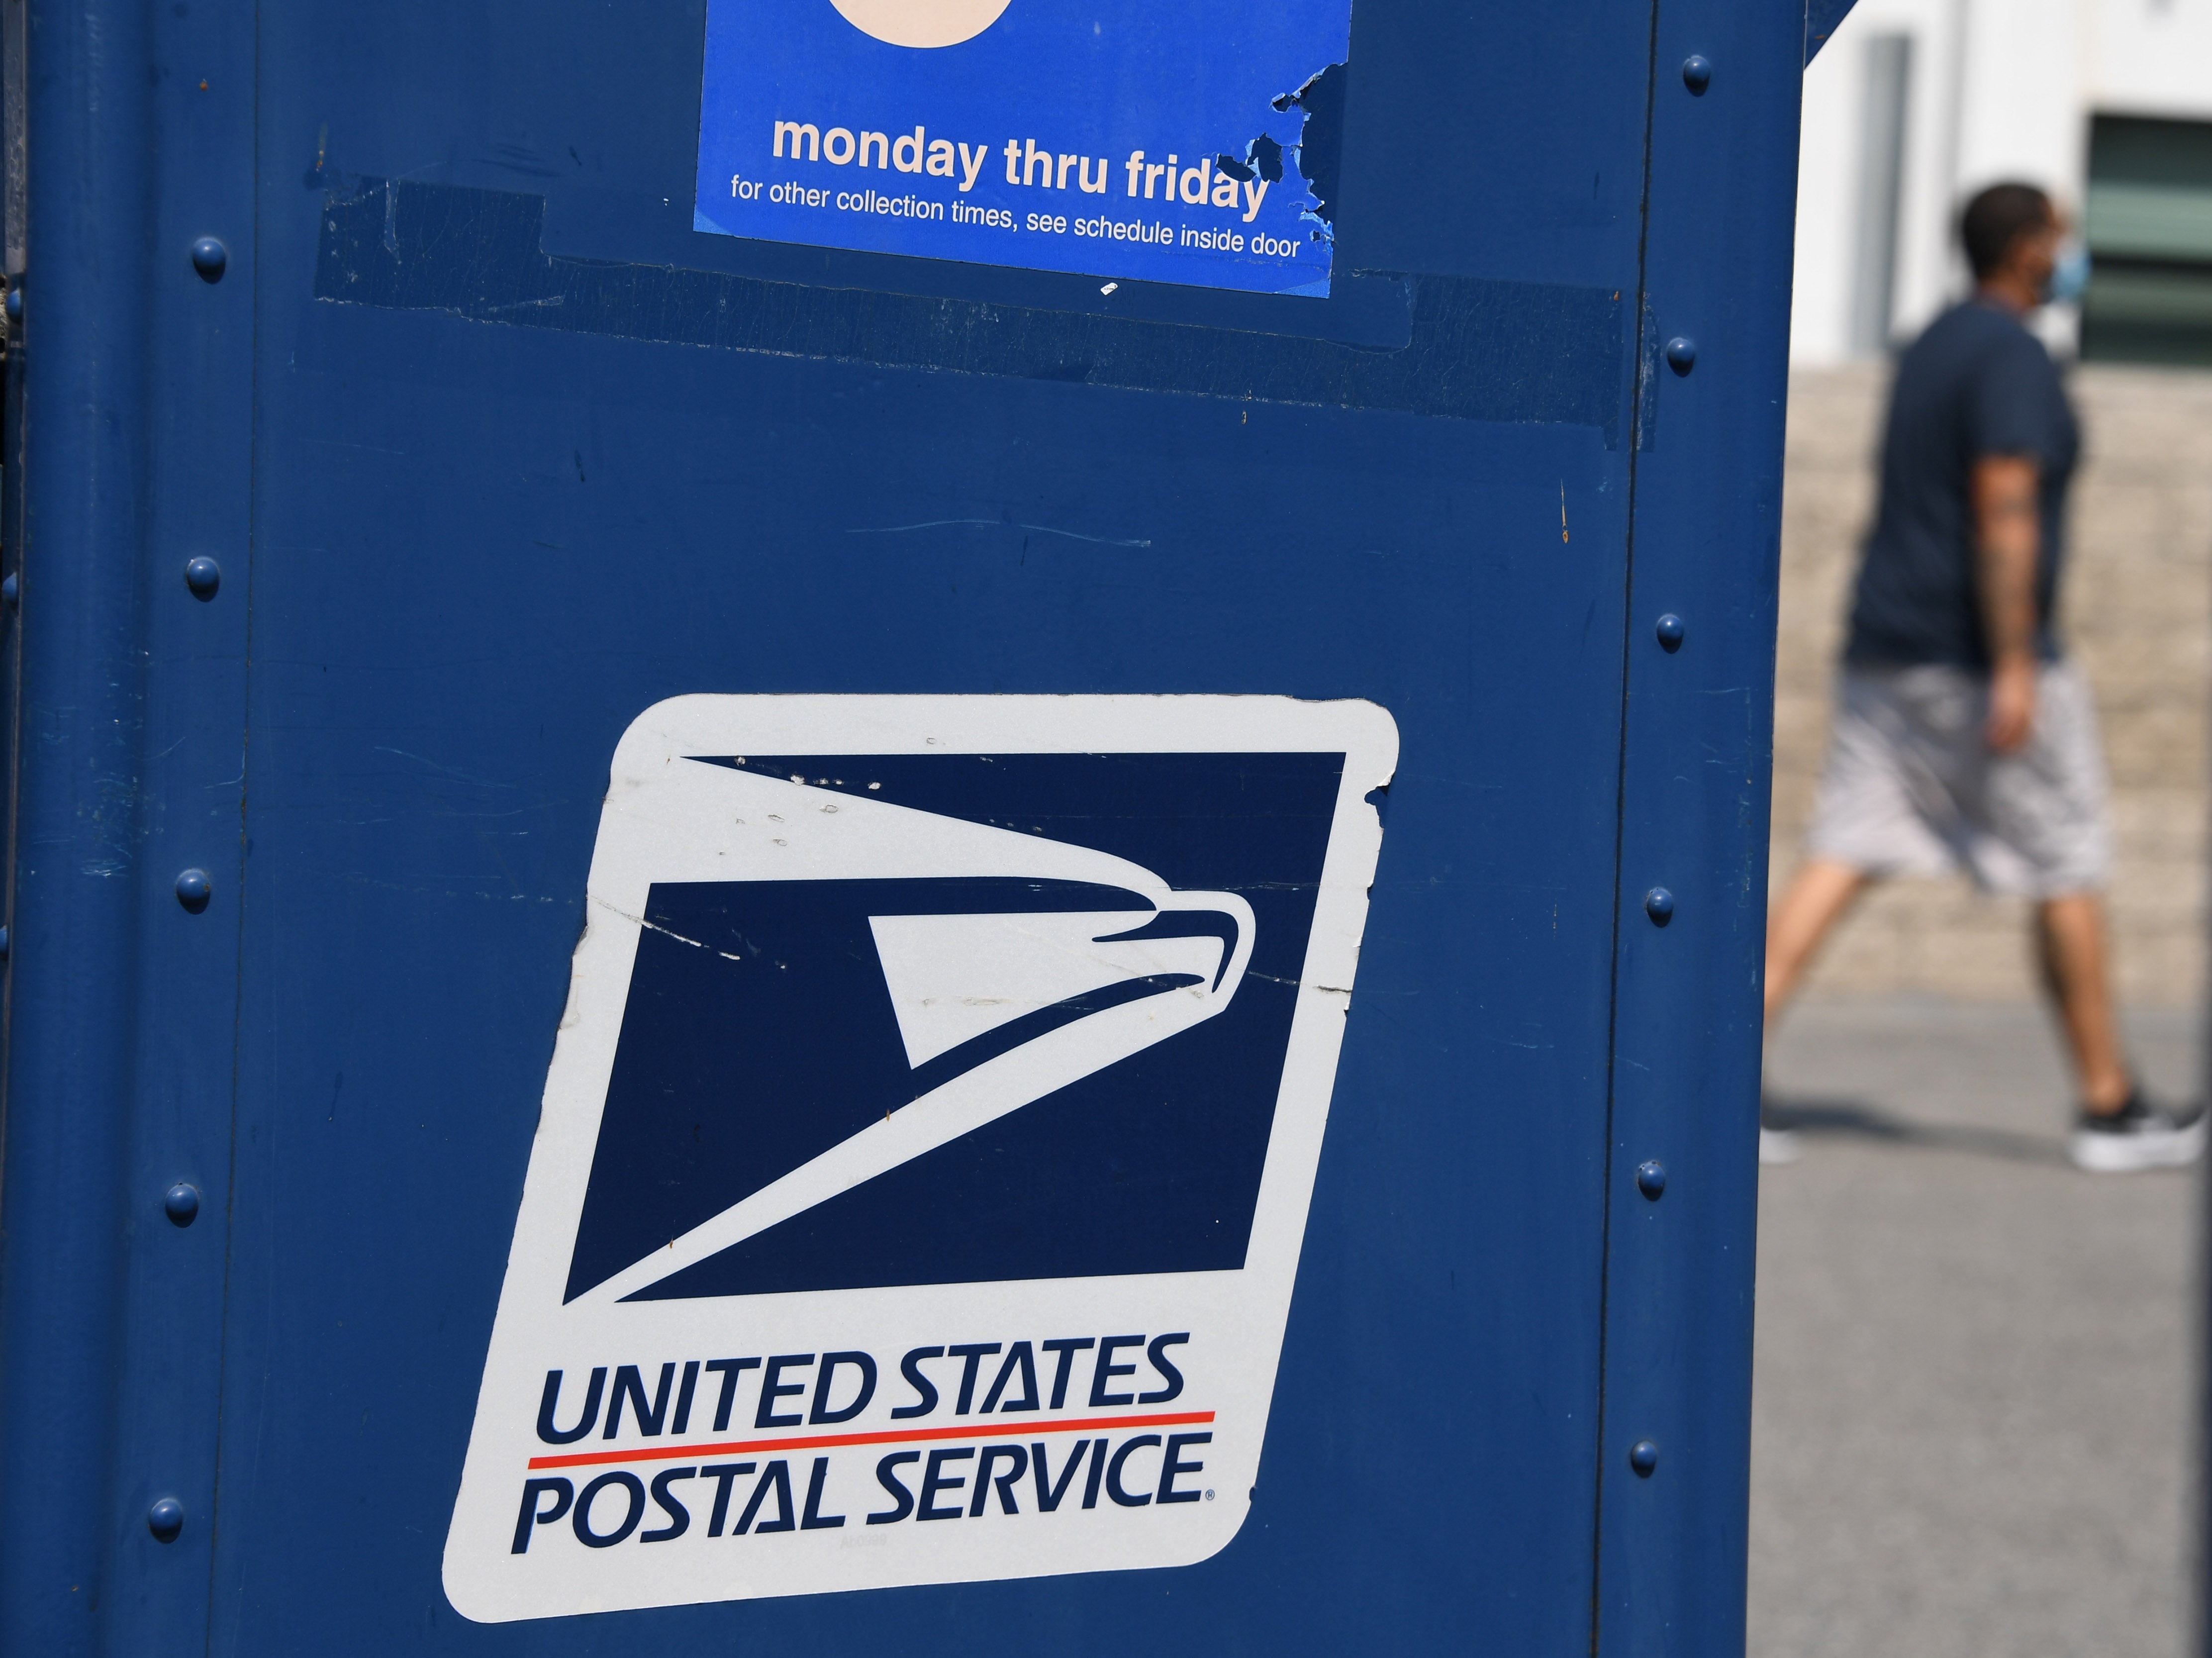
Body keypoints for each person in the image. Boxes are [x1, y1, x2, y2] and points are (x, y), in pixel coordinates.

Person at [1761, 182, 2204, 1174]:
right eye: (2060, 235)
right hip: (1974, 659)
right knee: (2068, 860)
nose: (2070, 252)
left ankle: (1713, 1083)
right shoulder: (2010, 354)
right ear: (2026, 249)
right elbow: (2003, 501)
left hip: (1887, 649)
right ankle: (2109, 1103)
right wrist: (2015, 663)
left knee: (1842, 846)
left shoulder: (1933, 340)